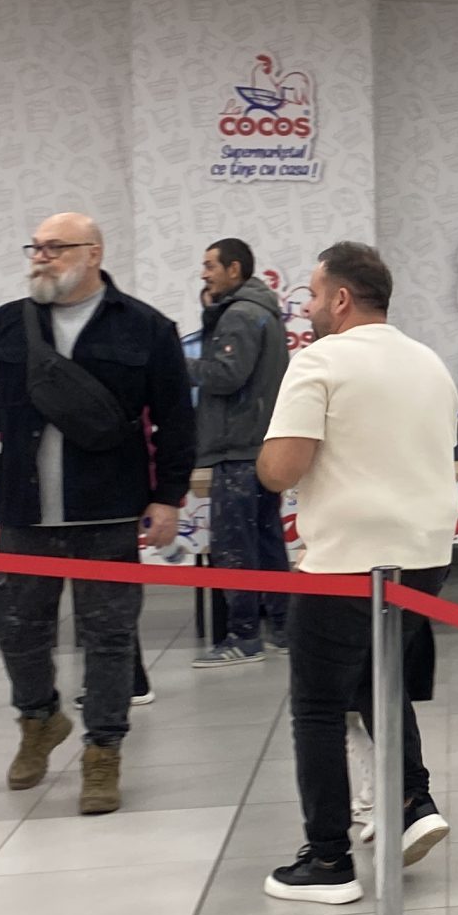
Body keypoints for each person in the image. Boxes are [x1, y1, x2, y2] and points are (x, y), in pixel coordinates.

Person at [0, 214, 194, 816]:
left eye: (56, 248)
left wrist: (168, 496)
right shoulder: (2, 327)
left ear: (94, 253)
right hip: (23, 512)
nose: (41, 257)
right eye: (36, 247)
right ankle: (39, 719)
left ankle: (103, 750)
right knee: (12, 624)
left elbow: (176, 420)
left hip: (108, 511)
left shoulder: (145, 328)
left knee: (109, 635)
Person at [256, 241, 457, 903]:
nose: (309, 308)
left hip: (345, 559)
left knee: (317, 705)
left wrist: (267, 453)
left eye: (314, 295)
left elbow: (281, 469)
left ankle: (328, 860)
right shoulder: (429, 362)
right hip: (425, 556)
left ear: (341, 299)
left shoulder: (319, 361)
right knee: (380, 676)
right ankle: (412, 802)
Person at [190, 236, 290, 669]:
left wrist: (177, 363)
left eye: (210, 266)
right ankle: (283, 629)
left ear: (235, 269)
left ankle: (244, 636)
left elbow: (226, 375)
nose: (203, 274)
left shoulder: (240, 315)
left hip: (238, 448)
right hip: (259, 447)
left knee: (235, 546)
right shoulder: (259, 311)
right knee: (266, 541)